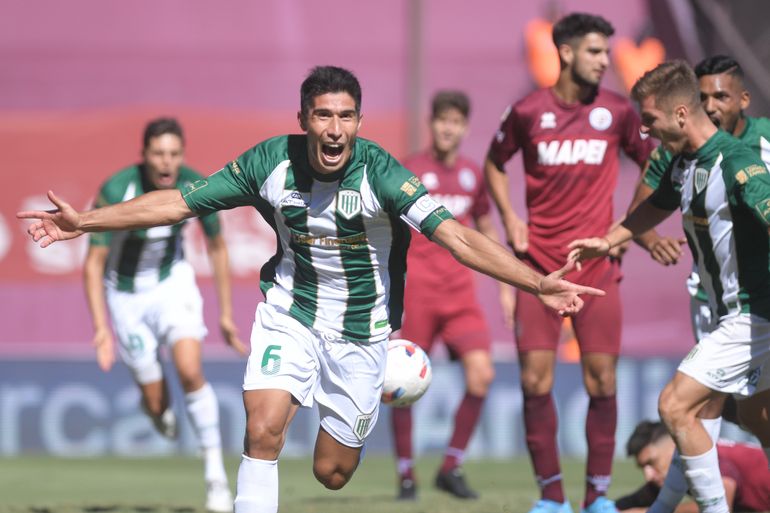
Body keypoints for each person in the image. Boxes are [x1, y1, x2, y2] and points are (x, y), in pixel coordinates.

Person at [19, 65, 604, 513]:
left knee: (332, 472)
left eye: (346, 116)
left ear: (359, 122)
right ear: (304, 119)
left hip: (361, 332)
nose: (334, 128)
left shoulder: (383, 174)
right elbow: (177, 203)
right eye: (323, 115)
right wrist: (86, 221)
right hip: (289, 311)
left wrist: (536, 284)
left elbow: (458, 238)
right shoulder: (270, 162)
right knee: (263, 427)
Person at [568, 60, 770, 513]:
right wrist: (608, 240)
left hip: (753, 315)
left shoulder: (738, 163)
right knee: (760, 418)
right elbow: (652, 209)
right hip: (731, 315)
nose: (644, 130)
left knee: (675, 405)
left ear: (680, 115)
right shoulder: (683, 163)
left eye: (651, 119)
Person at [484, 13, 653, 513]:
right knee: (535, 382)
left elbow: (654, 164)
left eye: (606, 51)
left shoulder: (619, 111)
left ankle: (597, 498)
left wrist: (626, 228)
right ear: (566, 53)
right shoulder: (527, 111)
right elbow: (496, 163)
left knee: (601, 382)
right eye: (596, 52)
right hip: (539, 271)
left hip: (598, 271)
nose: (606, 61)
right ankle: (552, 498)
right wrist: (511, 217)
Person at [82, 117, 246, 513]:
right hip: (125, 297)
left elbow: (218, 247)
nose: (166, 162)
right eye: (158, 153)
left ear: (182, 155)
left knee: (190, 370)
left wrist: (225, 314)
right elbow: (94, 262)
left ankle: (216, 480)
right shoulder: (118, 188)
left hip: (173, 284)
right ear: (144, 155)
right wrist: (101, 327)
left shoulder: (195, 185)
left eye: (174, 153)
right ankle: (155, 407)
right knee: (157, 405)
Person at [391, 90, 514, 500]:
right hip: (418, 295)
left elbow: (485, 230)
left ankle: (451, 467)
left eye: (456, 121)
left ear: (464, 127)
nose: (448, 127)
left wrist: (505, 287)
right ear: (432, 123)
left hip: (460, 295)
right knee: (401, 385)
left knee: (482, 376)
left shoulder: (471, 175)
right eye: (442, 119)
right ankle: (406, 474)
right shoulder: (409, 170)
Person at [616, 421, 770, 513]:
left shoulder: (706, 459)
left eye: (651, 462)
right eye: (643, 467)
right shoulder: (673, 470)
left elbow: (719, 507)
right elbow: (637, 499)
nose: (648, 475)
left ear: (672, 446)